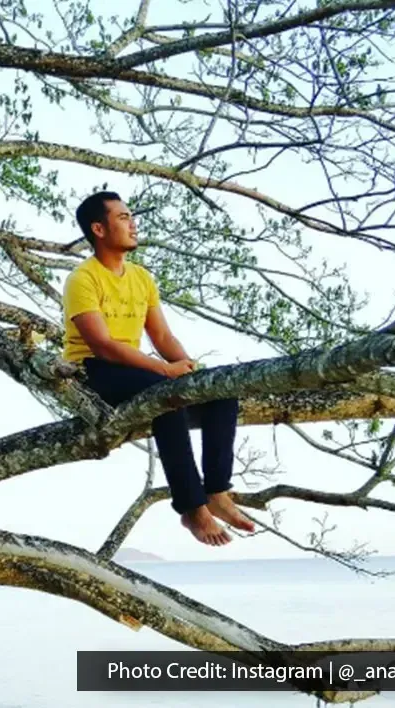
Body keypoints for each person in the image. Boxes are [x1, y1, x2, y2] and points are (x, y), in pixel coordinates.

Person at [62, 191, 255, 546]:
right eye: (122, 217)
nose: (133, 224)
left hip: (134, 370)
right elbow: (102, 345)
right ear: (98, 229)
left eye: (130, 216)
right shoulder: (82, 279)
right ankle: (191, 508)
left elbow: (163, 336)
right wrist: (165, 373)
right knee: (163, 399)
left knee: (221, 391)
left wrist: (190, 371)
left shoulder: (141, 278)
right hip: (91, 373)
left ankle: (215, 490)